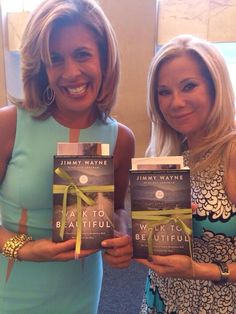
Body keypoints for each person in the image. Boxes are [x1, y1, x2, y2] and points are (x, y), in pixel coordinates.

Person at [0, 0, 135, 313]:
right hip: (10, 289)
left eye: (83, 54)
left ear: (104, 58)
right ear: (41, 67)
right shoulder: (10, 125)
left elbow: (116, 210)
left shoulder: (121, 139)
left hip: (80, 293)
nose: (71, 72)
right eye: (55, 59)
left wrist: (123, 235)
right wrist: (26, 249)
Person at [137, 34, 236, 313]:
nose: (176, 102)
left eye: (189, 86)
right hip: (162, 297)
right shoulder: (169, 154)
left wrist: (200, 270)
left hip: (218, 305)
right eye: (164, 91)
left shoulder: (232, 151)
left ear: (215, 87)